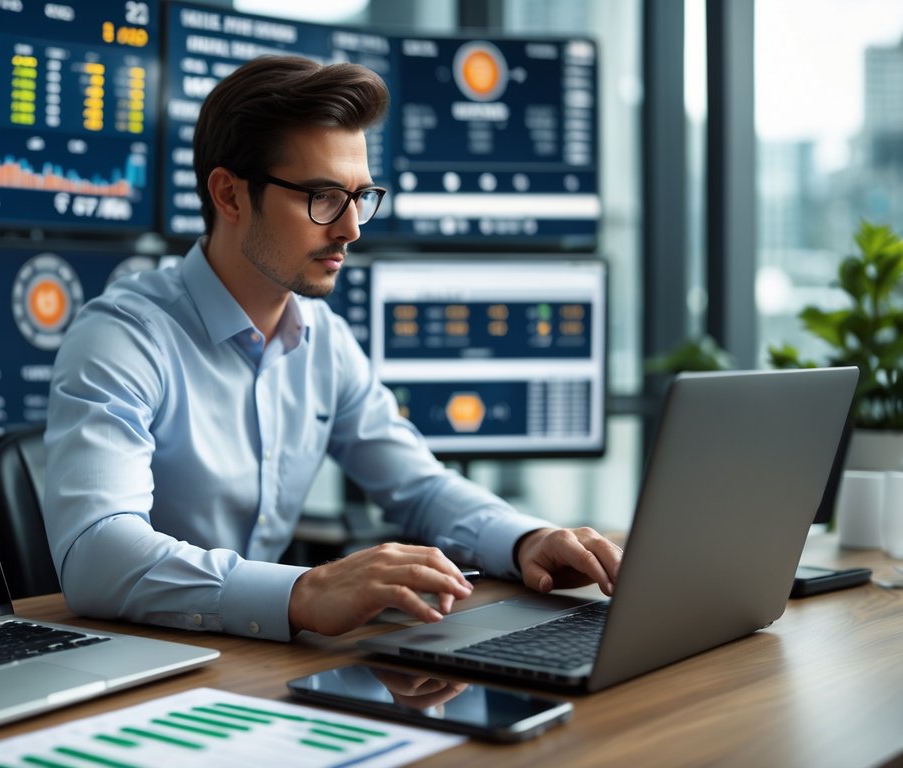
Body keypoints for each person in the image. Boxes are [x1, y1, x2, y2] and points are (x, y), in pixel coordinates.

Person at [42, 55, 621, 642]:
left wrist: (527, 539)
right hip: (143, 661)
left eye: (361, 196)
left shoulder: (325, 342)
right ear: (231, 195)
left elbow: (419, 487)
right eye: (322, 196)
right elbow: (96, 553)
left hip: (256, 660)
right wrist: (301, 592)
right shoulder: (122, 336)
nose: (352, 229)